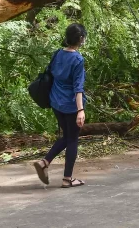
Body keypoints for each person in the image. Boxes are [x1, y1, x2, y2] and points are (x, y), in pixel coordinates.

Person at [33, 23, 87, 188]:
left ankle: (44, 163)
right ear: (80, 39)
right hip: (70, 105)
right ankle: (67, 179)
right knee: (72, 140)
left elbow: (53, 75)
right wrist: (80, 110)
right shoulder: (78, 59)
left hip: (56, 102)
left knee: (66, 136)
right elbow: (78, 87)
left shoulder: (58, 53)